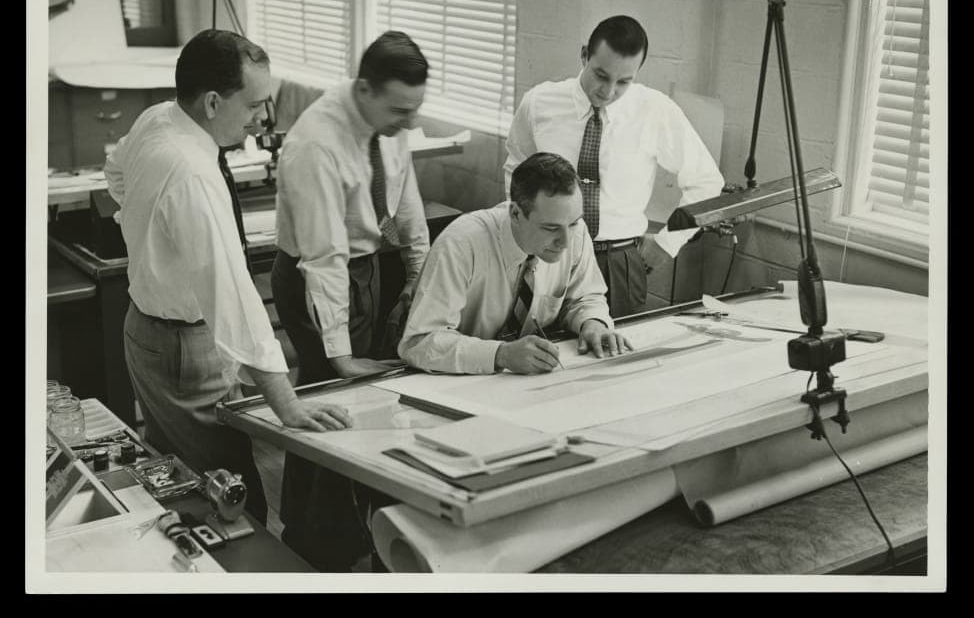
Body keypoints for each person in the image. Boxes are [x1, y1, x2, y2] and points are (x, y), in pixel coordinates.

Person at [103, 29, 352, 527]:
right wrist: (287, 404)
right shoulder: (191, 171)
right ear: (214, 102)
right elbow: (233, 293)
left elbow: (115, 172)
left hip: (148, 332)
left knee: (175, 478)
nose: (263, 118)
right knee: (230, 499)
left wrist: (149, 229)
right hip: (180, 348)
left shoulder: (160, 117)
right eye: (256, 104)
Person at [272, 30, 432, 570]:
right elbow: (323, 257)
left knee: (345, 408)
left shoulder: (390, 119)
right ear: (363, 88)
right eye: (399, 110)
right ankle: (322, 551)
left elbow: (406, 201)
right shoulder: (316, 142)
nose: (409, 123)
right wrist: (339, 352)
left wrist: (417, 276)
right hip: (316, 278)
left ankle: (329, 531)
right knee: (334, 407)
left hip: (370, 268)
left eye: (415, 110)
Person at [504, 15, 724, 318]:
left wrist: (667, 243)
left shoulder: (655, 109)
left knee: (614, 356)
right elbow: (516, 170)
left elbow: (707, 181)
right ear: (584, 55)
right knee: (542, 353)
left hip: (618, 261)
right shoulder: (540, 102)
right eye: (601, 75)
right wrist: (523, 235)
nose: (608, 91)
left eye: (624, 82)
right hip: (548, 255)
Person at [399, 152, 632, 375]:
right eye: (550, 228)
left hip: (518, 383)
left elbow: (585, 297)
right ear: (516, 214)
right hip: (449, 380)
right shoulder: (460, 244)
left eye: (572, 224)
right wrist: (500, 354)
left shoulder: (576, 233)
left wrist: (592, 323)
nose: (566, 241)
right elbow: (419, 342)